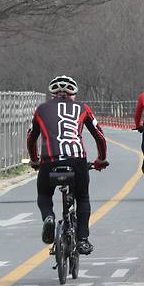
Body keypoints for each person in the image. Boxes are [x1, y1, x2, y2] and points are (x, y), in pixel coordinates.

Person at [27, 75, 109, 255]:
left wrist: (34, 159)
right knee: (83, 198)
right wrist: (101, 159)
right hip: (77, 159)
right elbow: (99, 136)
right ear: (73, 94)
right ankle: (83, 240)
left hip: (49, 160)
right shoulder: (83, 108)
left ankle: (48, 217)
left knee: (44, 194)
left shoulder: (41, 109)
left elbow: (31, 137)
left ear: (53, 93)